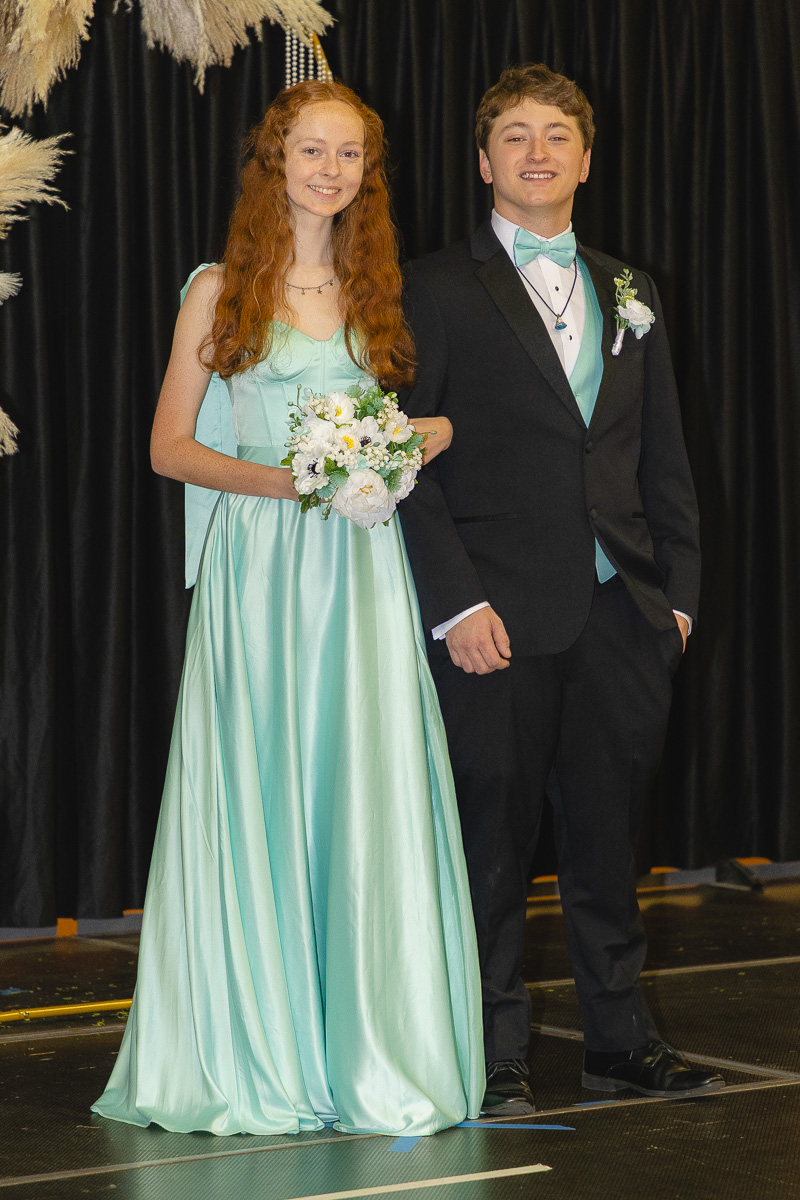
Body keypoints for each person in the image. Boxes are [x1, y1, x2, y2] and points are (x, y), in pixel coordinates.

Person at [92, 80, 484, 1137]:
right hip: (262, 575)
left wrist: (408, 443)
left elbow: (382, 437)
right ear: (273, 162)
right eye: (310, 151)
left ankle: (368, 1047)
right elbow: (169, 448)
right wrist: (294, 479)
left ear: (368, 171)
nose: (330, 171)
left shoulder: (374, 288)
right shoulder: (221, 290)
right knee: (264, 788)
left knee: (357, 794)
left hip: (357, 576)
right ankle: (253, 1050)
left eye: (349, 155)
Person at [399, 62, 725, 1115]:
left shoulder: (630, 288)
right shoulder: (434, 285)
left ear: (585, 158)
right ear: (482, 160)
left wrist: (674, 596)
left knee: (604, 843)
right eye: (513, 136)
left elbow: (661, 456)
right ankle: (492, 1054)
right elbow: (400, 462)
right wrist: (452, 604)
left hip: (622, 615)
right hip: (494, 616)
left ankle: (618, 1041)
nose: (535, 153)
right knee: (489, 847)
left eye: (554, 136)